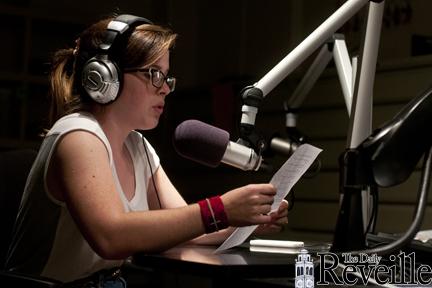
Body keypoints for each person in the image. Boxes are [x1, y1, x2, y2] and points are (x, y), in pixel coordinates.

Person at [5, 13, 288, 287]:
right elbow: (110, 237)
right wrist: (220, 209)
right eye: (154, 74)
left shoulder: (138, 145)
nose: (165, 88)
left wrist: (245, 222)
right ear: (106, 76)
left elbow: (185, 230)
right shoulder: (77, 135)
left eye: (167, 77)